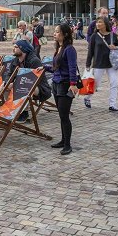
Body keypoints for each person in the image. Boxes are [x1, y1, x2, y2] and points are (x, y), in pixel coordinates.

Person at [43, 23, 78, 155]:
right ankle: (63, 140)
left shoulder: (69, 49)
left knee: (64, 116)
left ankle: (67, 145)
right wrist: (45, 68)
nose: (54, 33)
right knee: (61, 115)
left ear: (65, 34)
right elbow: (56, 68)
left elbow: (72, 68)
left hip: (65, 85)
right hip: (56, 84)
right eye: (55, 32)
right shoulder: (59, 48)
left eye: (57, 32)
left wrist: (73, 83)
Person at [84, 16, 118, 112]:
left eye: (100, 22)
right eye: (97, 22)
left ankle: (112, 104)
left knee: (114, 83)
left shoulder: (113, 35)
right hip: (99, 63)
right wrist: (88, 64)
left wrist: (115, 47)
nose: (97, 24)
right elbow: (90, 51)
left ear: (105, 24)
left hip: (111, 63)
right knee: (96, 84)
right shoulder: (94, 36)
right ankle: (87, 98)